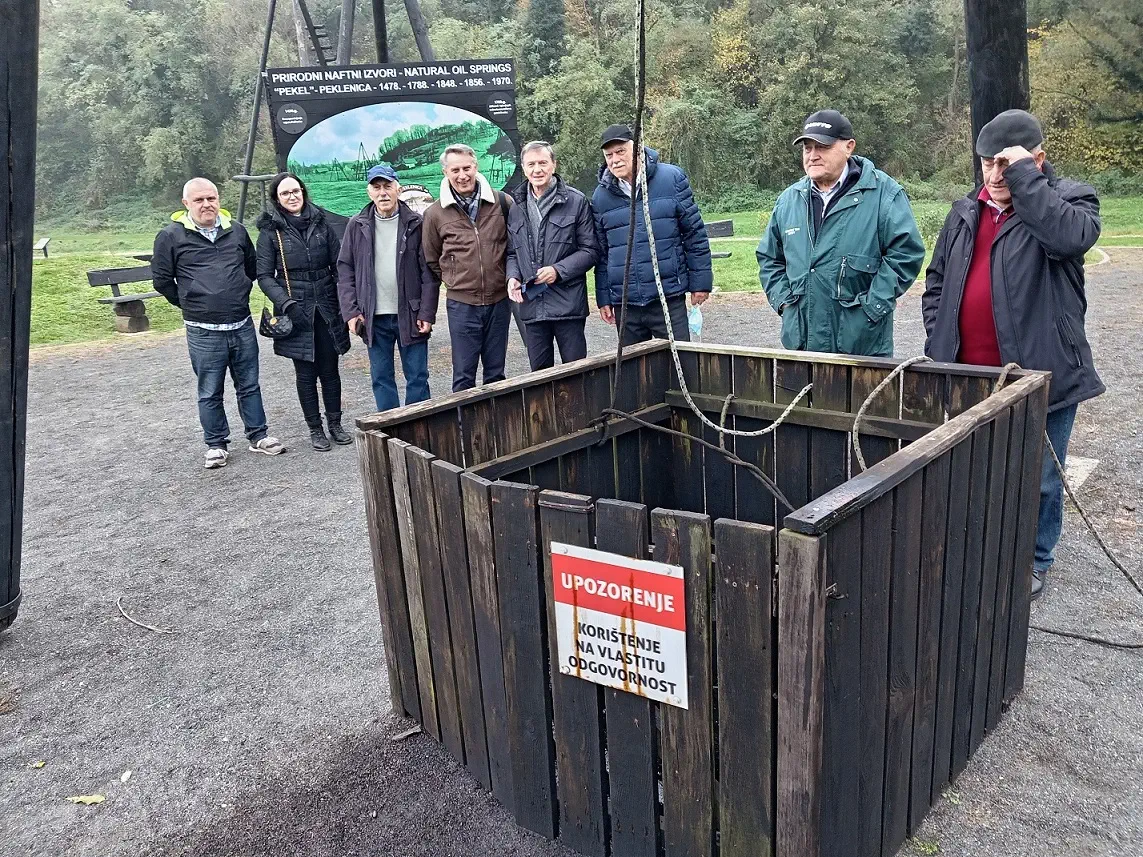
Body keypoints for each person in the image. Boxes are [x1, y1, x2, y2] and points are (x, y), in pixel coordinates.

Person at [922, 109, 1103, 600]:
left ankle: (1036, 558)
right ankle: (979, 551)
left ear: (1036, 159)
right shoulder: (965, 211)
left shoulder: (1069, 200)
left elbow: (1069, 238)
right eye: (987, 164)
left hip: (1042, 372)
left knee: (1041, 476)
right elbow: (936, 281)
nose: (995, 175)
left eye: (1007, 164)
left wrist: (1027, 178)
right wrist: (937, 339)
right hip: (967, 372)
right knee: (972, 469)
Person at [757, 110, 925, 357]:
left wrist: (872, 307)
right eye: (807, 148)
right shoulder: (789, 200)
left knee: (864, 398)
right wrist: (785, 303)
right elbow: (769, 258)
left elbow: (906, 253)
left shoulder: (883, 195)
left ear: (849, 147)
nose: (812, 156)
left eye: (822, 147)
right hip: (801, 346)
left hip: (862, 345)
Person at [152, 177, 284, 469]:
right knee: (210, 390)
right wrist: (190, 302)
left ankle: (259, 436)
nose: (206, 204)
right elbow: (162, 280)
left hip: (241, 324)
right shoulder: (170, 236)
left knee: (249, 384)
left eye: (211, 198)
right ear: (186, 204)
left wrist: (236, 293)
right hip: (203, 330)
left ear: (218, 200)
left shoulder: (236, 231)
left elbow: (251, 268)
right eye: (199, 200)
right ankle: (216, 444)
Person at [256, 173, 352, 451]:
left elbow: (339, 264)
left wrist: (342, 300)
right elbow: (264, 275)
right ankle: (315, 429)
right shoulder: (270, 232)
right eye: (285, 193)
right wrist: (286, 303)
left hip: (326, 306)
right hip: (295, 308)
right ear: (277, 199)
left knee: (330, 370)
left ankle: (335, 423)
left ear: (303, 192)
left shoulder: (322, 224)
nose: (292, 197)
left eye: (296, 191)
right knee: (306, 373)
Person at [593, 124, 712, 344]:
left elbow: (694, 234)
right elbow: (602, 252)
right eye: (609, 155)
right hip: (625, 303)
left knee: (681, 367)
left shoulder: (672, 179)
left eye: (621, 151)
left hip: (667, 295)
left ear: (638, 149)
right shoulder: (601, 196)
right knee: (634, 373)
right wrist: (604, 298)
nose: (615, 159)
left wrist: (700, 283)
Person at [338, 164, 438, 412]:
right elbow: (345, 270)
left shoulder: (416, 223)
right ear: (369, 191)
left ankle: (418, 427)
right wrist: (351, 312)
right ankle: (390, 431)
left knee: (417, 377)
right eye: (377, 187)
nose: (383, 192)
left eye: (387, 186)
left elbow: (429, 272)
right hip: (372, 317)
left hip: (411, 315)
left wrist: (426, 312)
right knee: (381, 378)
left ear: (398, 189)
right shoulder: (356, 225)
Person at [422, 143, 515, 391]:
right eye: (455, 170)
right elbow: (432, 258)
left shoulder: (503, 202)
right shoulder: (434, 214)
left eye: (467, 168)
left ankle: (497, 427)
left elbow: (514, 248)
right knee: (464, 377)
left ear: (476, 166)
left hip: (499, 301)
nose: (462, 175)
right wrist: (456, 279)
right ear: (445, 172)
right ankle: (465, 430)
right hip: (462, 305)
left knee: (496, 375)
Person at [506, 141, 598, 370]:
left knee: (576, 373)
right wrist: (513, 276)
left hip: (568, 304)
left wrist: (558, 271)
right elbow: (511, 252)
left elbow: (591, 250)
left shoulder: (576, 202)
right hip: (531, 305)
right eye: (531, 164)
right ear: (523, 168)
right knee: (538, 378)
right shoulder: (516, 206)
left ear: (553, 165)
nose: (537, 169)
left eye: (542, 163)